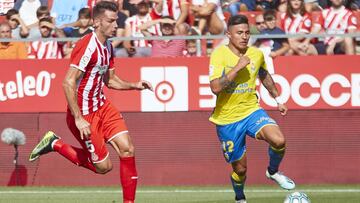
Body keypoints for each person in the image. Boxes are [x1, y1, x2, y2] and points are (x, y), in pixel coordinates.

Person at [28, 2, 153, 203]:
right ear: (96, 22)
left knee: (128, 148)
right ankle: (55, 143)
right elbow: (68, 82)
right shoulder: (87, 45)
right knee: (103, 168)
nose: (115, 25)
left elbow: (110, 80)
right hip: (84, 114)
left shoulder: (109, 46)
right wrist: (78, 118)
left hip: (102, 106)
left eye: (116, 21)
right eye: (111, 21)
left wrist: (135, 85)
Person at [208, 14, 295, 203]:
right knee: (240, 170)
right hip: (227, 119)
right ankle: (240, 198)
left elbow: (264, 75)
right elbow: (215, 88)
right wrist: (237, 68)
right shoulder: (219, 54)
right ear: (228, 34)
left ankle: (273, 172)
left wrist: (277, 99)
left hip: (251, 111)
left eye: (247, 32)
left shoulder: (256, 53)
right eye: (239, 32)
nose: (244, 36)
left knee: (279, 140)